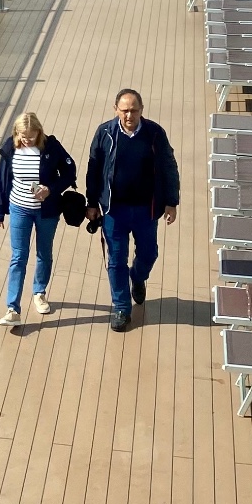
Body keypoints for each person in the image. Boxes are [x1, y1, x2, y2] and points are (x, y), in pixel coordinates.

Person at [84, 88, 179, 331]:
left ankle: (137, 277)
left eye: (133, 110)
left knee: (149, 254)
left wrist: (171, 201)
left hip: (146, 210)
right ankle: (121, 307)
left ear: (141, 110)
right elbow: (94, 168)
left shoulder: (155, 133)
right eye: (124, 110)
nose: (129, 115)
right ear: (115, 109)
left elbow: (169, 166)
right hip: (114, 211)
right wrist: (92, 203)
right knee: (116, 261)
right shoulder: (105, 132)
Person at [0, 110, 77, 326]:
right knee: (18, 256)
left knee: (43, 252)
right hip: (20, 208)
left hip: (47, 211)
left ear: (39, 132)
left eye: (31, 135)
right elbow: (2, 180)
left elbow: (69, 171)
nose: (26, 139)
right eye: (22, 135)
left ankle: (39, 292)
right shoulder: (11, 147)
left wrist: (51, 189)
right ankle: (12, 308)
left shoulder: (51, 147)